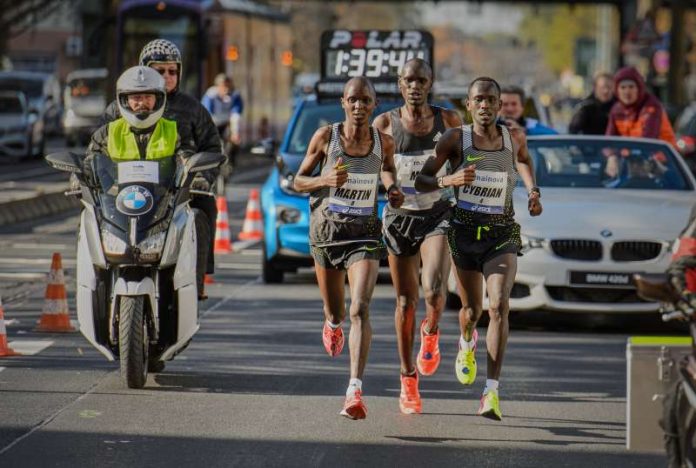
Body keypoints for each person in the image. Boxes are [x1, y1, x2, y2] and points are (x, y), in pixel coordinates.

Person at [415, 77, 542, 421]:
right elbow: (422, 181)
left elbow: (525, 161)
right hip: (464, 232)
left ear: (500, 106)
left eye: (491, 100)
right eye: (478, 100)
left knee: (499, 304)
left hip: (501, 233)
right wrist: (449, 180)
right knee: (473, 311)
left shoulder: (513, 138)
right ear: (468, 106)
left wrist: (532, 191)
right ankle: (467, 339)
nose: (485, 105)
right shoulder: (456, 138)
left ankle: (491, 392)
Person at [293, 77, 404, 420]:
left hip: (365, 234)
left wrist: (394, 189)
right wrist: (324, 181)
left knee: (360, 309)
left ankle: (354, 390)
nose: (359, 106)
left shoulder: (384, 142)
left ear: (374, 106)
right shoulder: (326, 137)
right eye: (353, 100)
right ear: (344, 102)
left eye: (365, 101)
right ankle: (331, 322)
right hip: (327, 232)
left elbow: (388, 172)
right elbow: (297, 181)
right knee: (338, 311)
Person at [373, 58, 462, 414]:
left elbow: (462, 160)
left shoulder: (449, 121)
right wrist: (391, 186)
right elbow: (382, 169)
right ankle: (407, 376)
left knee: (435, 289)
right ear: (400, 84)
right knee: (405, 302)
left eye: (421, 80)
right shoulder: (385, 124)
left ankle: (432, 329)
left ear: (430, 83)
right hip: (399, 217)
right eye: (408, 80)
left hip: (437, 213)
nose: (415, 86)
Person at [102, 39, 222, 300]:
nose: (167, 77)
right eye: (159, 70)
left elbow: (213, 147)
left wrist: (201, 178)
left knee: (204, 210)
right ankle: (99, 280)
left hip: (176, 192)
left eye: (172, 71)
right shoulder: (116, 110)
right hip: (124, 193)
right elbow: (98, 151)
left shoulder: (193, 109)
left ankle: (196, 279)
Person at [606, 66, 676, 146]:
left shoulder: (651, 107)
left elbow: (649, 140)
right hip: (633, 154)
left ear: (639, 88)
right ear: (617, 90)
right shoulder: (616, 110)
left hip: (662, 155)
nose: (627, 92)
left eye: (631, 87)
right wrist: (611, 155)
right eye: (623, 87)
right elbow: (609, 140)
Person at [201, 73, 244, 172]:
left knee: (235, 140)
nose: (226, 89)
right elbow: (207, 114)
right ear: (217, 87)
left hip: (228, 122)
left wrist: (235, 133)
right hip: (214, 122)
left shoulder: (235, 95)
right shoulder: (210, 95)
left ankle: (232, 161)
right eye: (223, 87)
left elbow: (236, 115)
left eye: (228, 86)